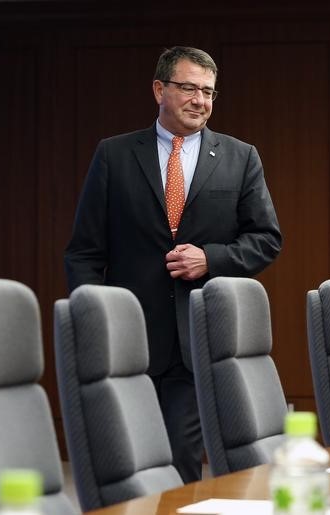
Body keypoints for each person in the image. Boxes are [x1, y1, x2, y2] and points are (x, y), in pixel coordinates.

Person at [64, 46, 282, 483]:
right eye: (188, 88)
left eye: (208, 92)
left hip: (196, 336)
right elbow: (85, 252)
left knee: (181, 459)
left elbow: (266, 239)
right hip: (127, 338)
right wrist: (95, 320)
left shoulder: (241, 157)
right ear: (159, 89)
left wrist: (212, 258)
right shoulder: (115, 155)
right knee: (125, 461)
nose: (200, 101)